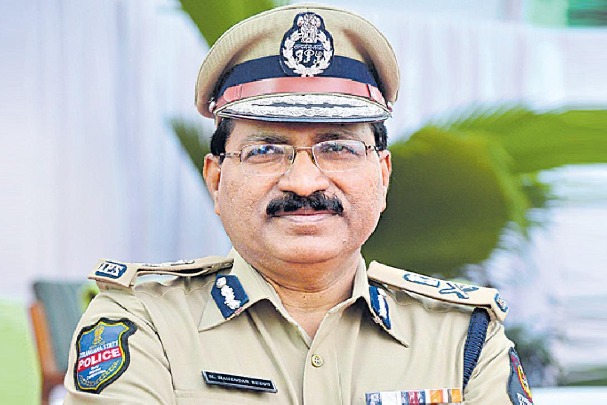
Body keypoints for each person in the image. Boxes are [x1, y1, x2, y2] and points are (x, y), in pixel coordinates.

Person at [64, 3, 533, 404]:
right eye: (266, 150)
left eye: (339, 147)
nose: (305, 182)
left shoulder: (461, 337)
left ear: (382, 176)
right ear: (216, 179)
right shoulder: (143, 322)